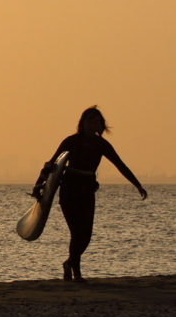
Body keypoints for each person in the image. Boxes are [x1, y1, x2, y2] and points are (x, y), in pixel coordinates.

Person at [35, 106, 147, 281]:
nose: (92, 124)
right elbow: (51, 164)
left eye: (96, 122)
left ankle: (69, 263)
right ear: (82, 123)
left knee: (86, 235)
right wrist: (39, 186)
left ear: (100, 126)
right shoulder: (71, 141)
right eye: (89, 120)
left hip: (87, 191)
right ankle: (77, 275)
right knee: (76, 232)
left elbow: (120, 165)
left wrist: (137, 185)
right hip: (69, 190)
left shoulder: (101, 144)